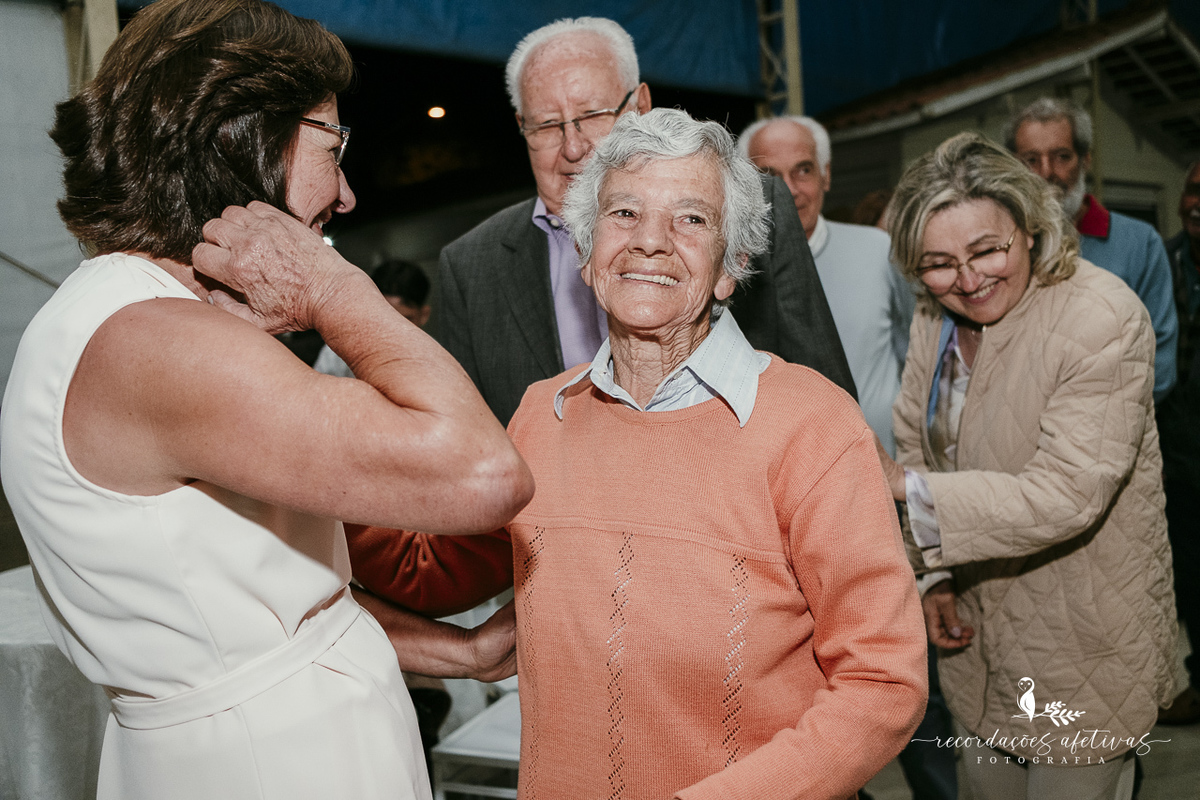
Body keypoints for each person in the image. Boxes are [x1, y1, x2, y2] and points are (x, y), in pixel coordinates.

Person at [0, 2, 533, 799]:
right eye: (333, 147)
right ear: (240, 137)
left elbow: (270, 618)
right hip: (277, 766)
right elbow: (485, 475)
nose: (346, 194)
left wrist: (457, 652)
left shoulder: (133, 318)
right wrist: (332, 287)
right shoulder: (158, 343)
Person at [350, 108, 928, 800]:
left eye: (691, 219)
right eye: (624, 213)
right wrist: (313, 478)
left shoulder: (814, 427)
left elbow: (882, 682)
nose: (650, 241)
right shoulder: (541, 415)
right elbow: (432, 569)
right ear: (587, 255)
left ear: (731, 267)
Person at [876, 132, 1176, 799]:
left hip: (1083, 645)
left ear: (1031, 228)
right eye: (938, 263)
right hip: (979, 644)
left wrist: (903, 487)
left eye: (988, 250)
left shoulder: (1101, 318)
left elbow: (1066, 494)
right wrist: (936, 578)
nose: (968, 280)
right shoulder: (934, 314)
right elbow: (915, 440)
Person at [433, 16, 854, 427]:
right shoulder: (470, 266)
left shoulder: (754, 204)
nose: (574, 147)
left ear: (640, 105)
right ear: (522, 127)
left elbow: (830, 398)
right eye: (546, 124)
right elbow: (464, 438)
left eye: (592, 114)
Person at [739, 115, 913, 456]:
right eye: (770, 176)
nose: (788, 190)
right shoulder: (734, 275)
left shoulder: (879, 250)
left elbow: (915, 359)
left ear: (826, 175)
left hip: (885, 467)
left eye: (803, 170)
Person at [1005, 97, 1178, 401]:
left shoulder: (1140, 243)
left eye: (1062, 156)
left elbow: (1159, 365)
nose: (1046, 172)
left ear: (1085, 160)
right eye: (1031, 160)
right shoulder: (1001, 248)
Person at [1157, 160, 1200, 724]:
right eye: (1193, 189)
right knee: (1189, 579)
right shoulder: (1162, 260)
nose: (1198, 202)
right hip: (1178, 453)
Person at [313, 258, 432, 377]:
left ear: (424, 315)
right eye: (382, 320)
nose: (392, 332)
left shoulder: (434, 359)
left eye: (405, 321)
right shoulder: (339, 352)